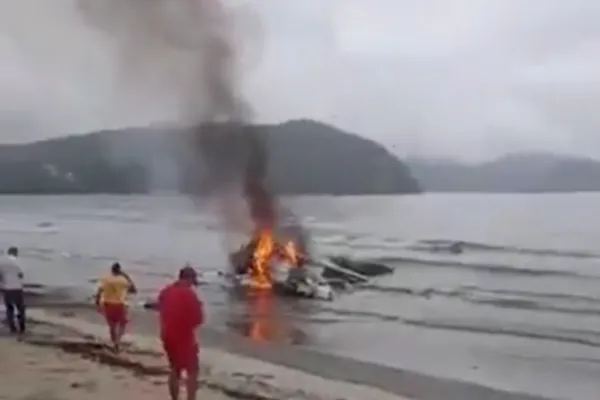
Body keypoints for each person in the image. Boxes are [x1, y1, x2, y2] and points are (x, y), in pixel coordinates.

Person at [158, 265, 204, 400]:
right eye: (192, 281)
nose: (192, 285)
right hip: (184, 338)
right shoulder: (190, 295)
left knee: (174, 369)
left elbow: (162, 308)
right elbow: (198, 320)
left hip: (166, 335)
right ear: (189, 278)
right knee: (193, 371)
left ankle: (174, 398)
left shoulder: (165, 291)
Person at [95, 262, 137, 352]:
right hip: (119, 304)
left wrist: (97, 303)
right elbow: (133, 290)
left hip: (107, 304)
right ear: (119, 270)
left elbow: (99, 292)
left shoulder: (106, 279)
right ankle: (117, 342)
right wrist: (126, 276)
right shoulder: (123, 280)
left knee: (112, 326)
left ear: (112, 270)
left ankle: (115, 342)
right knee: (123, 323)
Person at [0, 247, 26, 339]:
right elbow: (21, 275)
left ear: (8, 253)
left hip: (7, 288)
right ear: (16, 253)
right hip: (17, 288)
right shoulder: (19, 263)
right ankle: (22, 328)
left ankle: (12, 328)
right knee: (21, 309)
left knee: (9, 309)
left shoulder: (2, 263)